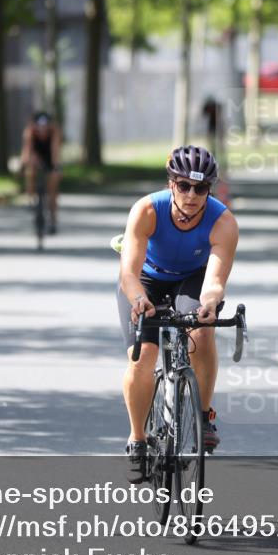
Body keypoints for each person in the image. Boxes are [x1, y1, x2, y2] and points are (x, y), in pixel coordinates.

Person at [117, 146, 239, 471]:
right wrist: (138, 300)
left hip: (192, 278)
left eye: (200, 188)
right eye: (184, 185)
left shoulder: (223, 222)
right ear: (171, 183)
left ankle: (203, 416)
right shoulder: (146, 210)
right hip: (147, 280)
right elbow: (128, 272)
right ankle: (138, 437)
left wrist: (211, 303)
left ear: (209, 189)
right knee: (143, 356)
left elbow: (214, 281)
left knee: (201, 331)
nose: (191, 195)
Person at [20, 111, 62, 234]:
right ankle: (30, 197)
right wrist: (24, 164)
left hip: (50, 156)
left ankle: (53, 221)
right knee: (30, 170)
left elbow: (55, 150)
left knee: (53, 187)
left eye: (45, 127)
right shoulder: (30, 132)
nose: (42, 130)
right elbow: (27, 150)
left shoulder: (54, 132)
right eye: (40, 127)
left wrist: (56, 167)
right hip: (36, 155)